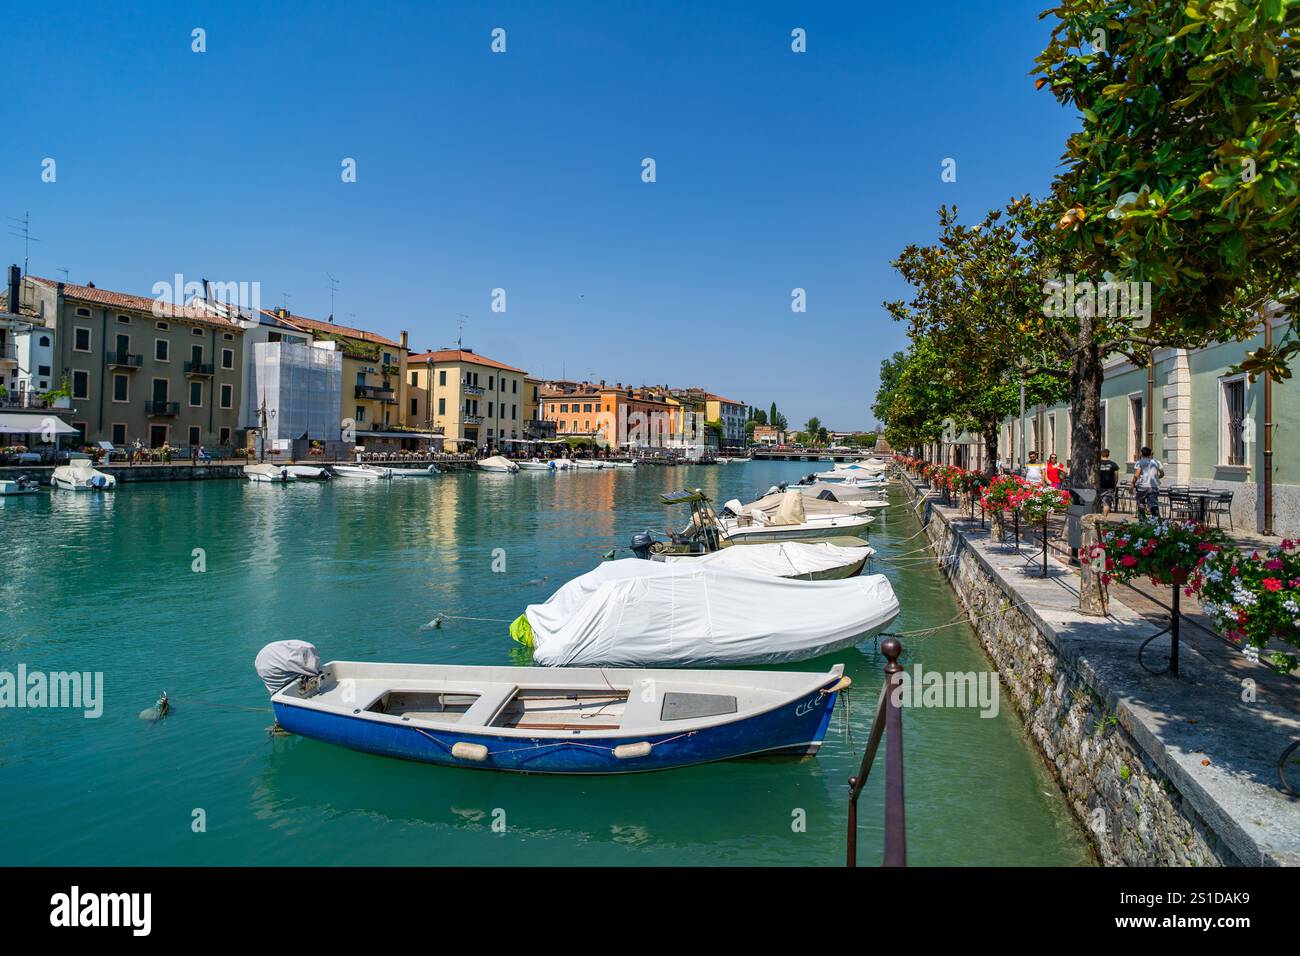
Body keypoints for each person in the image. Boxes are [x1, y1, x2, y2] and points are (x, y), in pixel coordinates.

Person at [1132, 446, 1165, 518]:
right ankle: (1156, 521)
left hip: (1142, 486)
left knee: (1141, 504)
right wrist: (1156, 477)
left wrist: (1132, 485)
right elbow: (1162, 474)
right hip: (1153, 486)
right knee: (1153, 505)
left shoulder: (1139, 462)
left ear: (1141, 454)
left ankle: (1142, 522)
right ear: (1150, 454)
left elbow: (1136, 475)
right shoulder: (1157, 462)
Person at [1098, 448, 1120, 515]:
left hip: (1098, 486)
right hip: (1109, 486)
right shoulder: (1113, 464)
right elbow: (1116, 475)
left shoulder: (1097, 463)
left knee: (1097, 503)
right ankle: (1103, 518)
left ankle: (1098, 517)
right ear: (1108, 454)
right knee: (1106, 503)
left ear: (1101, 454)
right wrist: (1115, 484)